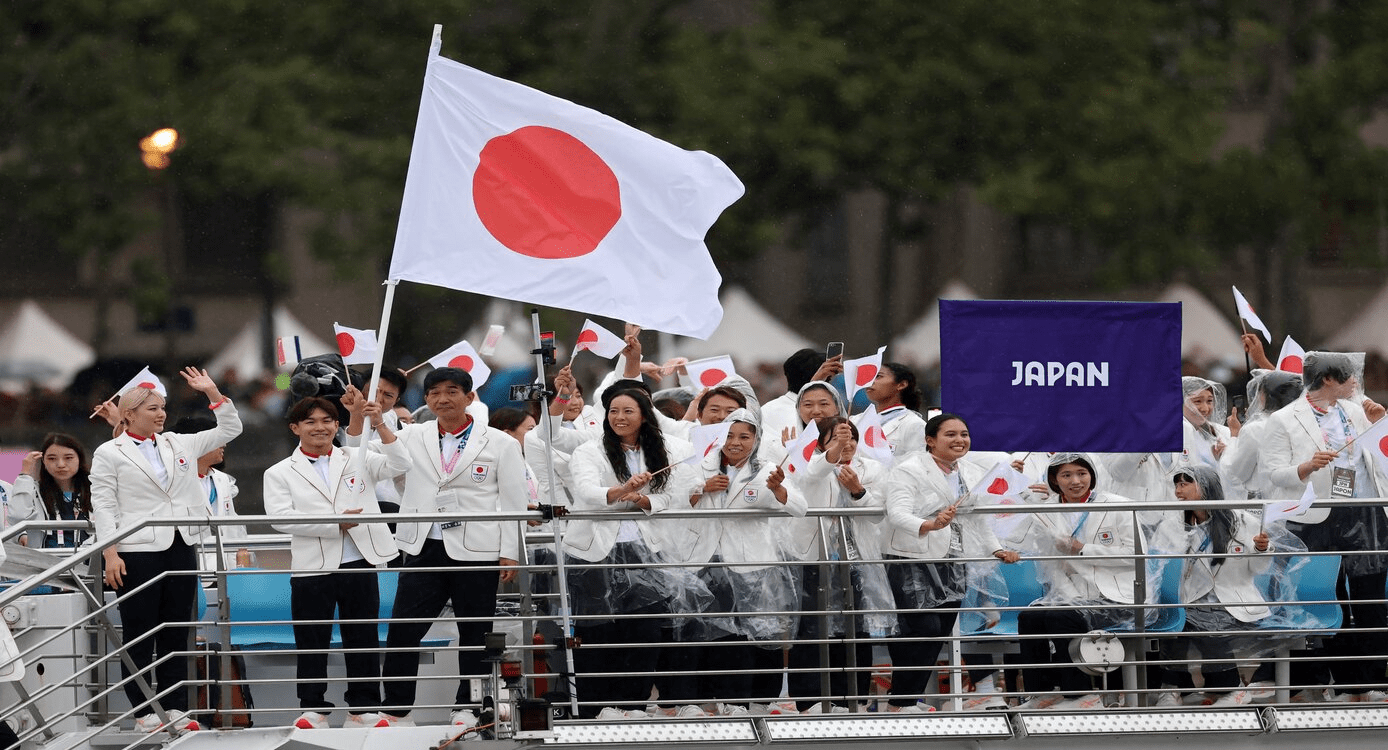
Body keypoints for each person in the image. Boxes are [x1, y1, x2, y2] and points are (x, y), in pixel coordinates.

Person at [365, 367, 527, 728]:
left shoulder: (501, 443)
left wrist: (510, 550)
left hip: (478, 550)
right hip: (424, 545)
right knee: (404, 627)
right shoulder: (412, 435)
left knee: (474, 632)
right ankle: (395, 708)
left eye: (451, 391)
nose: (442, 399)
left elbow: (514, 500)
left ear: (469, 397)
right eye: (434, 392)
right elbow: (364, 450)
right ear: (425, 400)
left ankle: (467, 707)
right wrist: (371, 420)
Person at [90, 368, 242, 734]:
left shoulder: (179, 442)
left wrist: (212, 392)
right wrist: (110, 554)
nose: (161, 414)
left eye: (162, 408)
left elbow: (229, 429)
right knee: (140, 634)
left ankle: (174, 707)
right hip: (136, 551)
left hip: (181, 544)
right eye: (152, 409)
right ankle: (143, 711)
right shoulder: (109, 452)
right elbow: (104, 506)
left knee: (176, 630)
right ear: (129, 414)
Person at [263, 390, 409, 729]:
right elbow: (280, 517)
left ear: (337, 424)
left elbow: (401, 464)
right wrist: (334, 524)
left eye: (327, 420)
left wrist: (379, 422)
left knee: (363, 635)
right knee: (312, 638)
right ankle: (314, 707)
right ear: (294, 428)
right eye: (311, 422)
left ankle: (364, 706)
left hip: (360, 559)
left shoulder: (356, 457)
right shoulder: (279, 471)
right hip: (312, 565)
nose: (320, 427)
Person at [562, 387, 696, 719]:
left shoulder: (662, 451)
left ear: (644, 416)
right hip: (594, 551)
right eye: (613, 412)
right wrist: (622, 491)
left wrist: (644, 500)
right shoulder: (589, 450)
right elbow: (586, 491)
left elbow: (675, 496)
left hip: (646, 549)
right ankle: (595, 708)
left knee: (646, 631)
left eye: (628, 411)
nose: (619, 418)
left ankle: (632, 705)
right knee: (597, 632)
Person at [1261, 351, 1388, 702]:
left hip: (1363, 510)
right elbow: (1270, 473)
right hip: (1315, 517)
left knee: (1371, 598)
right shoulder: (1285, 419)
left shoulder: (1355, 409)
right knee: (1323, 596)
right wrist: (1305, 467)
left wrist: (1380, 422)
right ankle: (1327, 680)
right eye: (1348, 377)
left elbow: (1375, 456)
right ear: (1328, 380)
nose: (1355, 383)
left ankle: (1372, 682)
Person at [668, 408, 805, 716]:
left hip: (749, 566)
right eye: (729, 435)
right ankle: (692, 703)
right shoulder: (698, 464)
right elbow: (674, 502)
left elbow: (799, 507)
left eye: (744, 436)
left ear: (756, 439)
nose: (736, 442)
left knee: (741, 637)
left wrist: (779, 489)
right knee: (696, 635)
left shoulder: (768, 469)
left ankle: (735, 703)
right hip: (702, 563)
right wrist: (702, 489)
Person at [881, 413, 1019, 713]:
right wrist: (929, 524)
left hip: (954, 559)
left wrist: (996, 549)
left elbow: (977, 517)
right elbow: (897, 512)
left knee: (940, 630)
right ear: (930, 441)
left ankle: (905, 701)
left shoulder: (969, 471)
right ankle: (900, 701)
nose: (960, 440)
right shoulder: (908, 470)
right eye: (951, 435)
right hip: (911, 558)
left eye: (964, 434)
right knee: (922, 629)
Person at [784, 408, 893, 714]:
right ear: (821, 443)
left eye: (851, 439)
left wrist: (858, 490)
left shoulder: (871, 469)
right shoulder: (810, 464)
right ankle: (810, 700)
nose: (846, 445)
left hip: (856, 560)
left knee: (855, 629)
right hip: (814, 559)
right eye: (835, 439)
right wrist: (832, 451)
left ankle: (853, 698)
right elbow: (812, 473)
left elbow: (877, 514)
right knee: (812, 627)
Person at [1017, 453, 1146, 710]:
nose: (1076, 481)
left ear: (1092, 475)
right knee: (1029, 617)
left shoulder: (1117, 505)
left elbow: (1135, 556)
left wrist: (1081, 548)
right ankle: (1042, 692)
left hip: (1115, 597)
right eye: (1066, 475)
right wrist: (1070, 597)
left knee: (1061, 617)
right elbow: (1051, 567)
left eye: (1081, 474)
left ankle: (1081, 695)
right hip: (1072, 596)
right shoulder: (1047, 512)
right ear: (1054, 479)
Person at [1154, 465, 1277, 707]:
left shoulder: (1241, 520)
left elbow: (1258, 568)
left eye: (1185, 484)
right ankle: (1171, 688)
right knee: (1172, 624)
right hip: (1188, 599)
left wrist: (1262, 549)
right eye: (1176, 484)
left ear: (1206, 486)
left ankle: (1231, 688)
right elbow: (1159, 567)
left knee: (1208, 626)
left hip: (1230, 598)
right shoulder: (1171, 525)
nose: (1179, 491)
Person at [11, 433, 92, 549]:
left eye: (68, 458)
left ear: (80, 459)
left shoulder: (96, 490)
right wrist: (25, 474)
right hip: (46, 563)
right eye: (52, 458)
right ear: (43, 462)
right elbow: (17, 516)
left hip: (87, 562)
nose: (60, 464)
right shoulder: (34, 491)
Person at [858, 362, 928, 460]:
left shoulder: (914, 424)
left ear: (901, 384)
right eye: (870, 376)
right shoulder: (857, 420)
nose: (870, 381)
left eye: (878, 376)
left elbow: (918, 467)